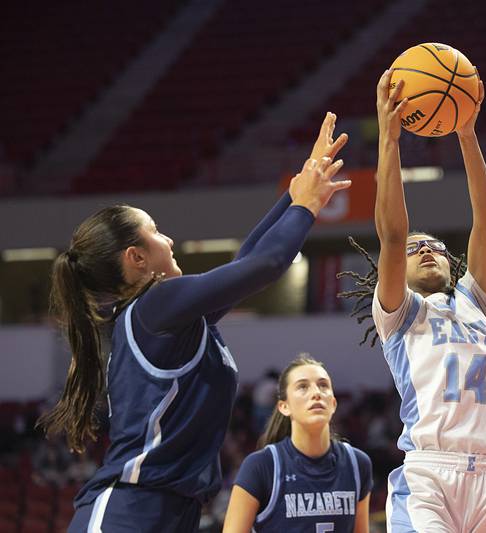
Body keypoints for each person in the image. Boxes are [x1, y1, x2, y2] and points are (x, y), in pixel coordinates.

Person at [38, 113, 351, 532]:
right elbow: (267, 264)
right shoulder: (156, 307)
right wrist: (307, 206)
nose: (169, 239)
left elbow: (244, 265)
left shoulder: (166, 318)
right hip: (129, 513)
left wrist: (295, 191)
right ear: (136, 258)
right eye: (156, 231)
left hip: (170, 513)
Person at [339, 70, 486, 532]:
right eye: (416, 250)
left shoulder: (476, 302)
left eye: (434, 245)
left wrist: (467, 134)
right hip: (430, 473)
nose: (426, 249)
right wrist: (389, 140)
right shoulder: (399, 312)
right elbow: (393, 234)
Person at [223, 356, 372, 532]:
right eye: (303, 386)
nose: (316, 393)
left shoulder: (357, 463)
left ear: (333, 404)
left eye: (323, 385)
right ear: (284, 406)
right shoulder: (261, 466)